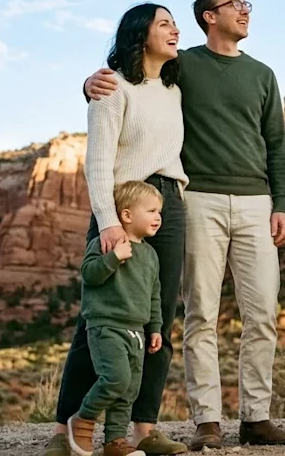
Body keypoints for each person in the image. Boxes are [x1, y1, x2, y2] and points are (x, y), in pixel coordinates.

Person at [83, 0, 285, 450]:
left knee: (262, 313)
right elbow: (131, 78)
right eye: (235, 4)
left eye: (247, 3)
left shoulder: (263, 75)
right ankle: (208, 422)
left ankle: (256, 418)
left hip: (256, 204)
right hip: (195, 199)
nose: (245, 10)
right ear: (209, 16)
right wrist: (87, 84)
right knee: (201, 312)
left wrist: (282, 203)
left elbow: (277, 147)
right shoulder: (184, 66)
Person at [44, 3, 189, 456]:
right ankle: (63, 431)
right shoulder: (111, 86)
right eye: (164, 23)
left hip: (167, 204)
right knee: (99, 319)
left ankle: (139, 429)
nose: (175, 29)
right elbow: (99, 161)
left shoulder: (175, 86)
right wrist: (108, 223)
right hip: (122, 206)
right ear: (139, 34)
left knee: (160, 318)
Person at [67, 181, 166, 456]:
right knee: (116, 378)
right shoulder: (105, 242)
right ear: (126, 215)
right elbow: (89, 275)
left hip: (137, 331)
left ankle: (115, 442)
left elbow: (154, 294)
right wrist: (114, 257)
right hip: (106, 326)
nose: (158, 217)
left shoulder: (150, 254)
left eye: (160, 211)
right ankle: (82, 420)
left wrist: (155, 328)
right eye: (152, 210)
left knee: (129, 391)